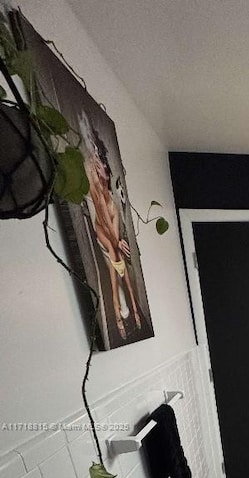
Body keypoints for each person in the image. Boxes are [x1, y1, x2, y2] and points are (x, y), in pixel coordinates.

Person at [82, 119, 141, 340]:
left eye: (102, 167)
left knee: (119, 266)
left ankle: (129, 310)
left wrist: (118, 239)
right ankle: (122, 312)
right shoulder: (96, 188)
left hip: (110, 231)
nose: (100, 171)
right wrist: (116, 242)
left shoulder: (110, 199)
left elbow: (112, 220)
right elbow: (105, 222)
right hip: (103, 232)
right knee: (116, 265)